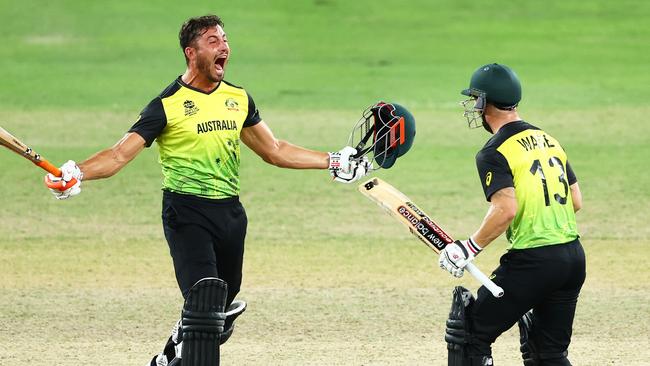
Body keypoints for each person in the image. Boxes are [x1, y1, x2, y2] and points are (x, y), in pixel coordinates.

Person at [43, 15, 369, 366]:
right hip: (186, 213)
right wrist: (77, 173)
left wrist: (333, 160)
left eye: (225, 40)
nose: (224, 47)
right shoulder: (166, 105)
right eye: (213, 41)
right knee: (205, 299)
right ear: (191, 52)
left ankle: (168, 357)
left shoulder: (238, 98)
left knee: (220, 306)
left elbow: (275, 150)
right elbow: (120, 154)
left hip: (230, 215)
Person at [438, 63, 585, 366]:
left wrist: (469, 247)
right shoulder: (548, 140)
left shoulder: (494, 150)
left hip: (535, 262)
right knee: (548, 354)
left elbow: (506, 208)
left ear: (482, 103)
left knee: (469, 336)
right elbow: (575, 200)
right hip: (572, 258)